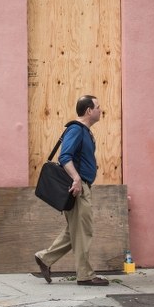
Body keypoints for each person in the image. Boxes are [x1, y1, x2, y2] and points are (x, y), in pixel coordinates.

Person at [34, 95, 108, 286]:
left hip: (81, 186)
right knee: (84, 231)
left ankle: (45, 258)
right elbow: (65, 156)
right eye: (98, 107)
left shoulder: (84, 131)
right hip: (78, 187)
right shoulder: (76, 129)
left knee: (74, 231)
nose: (101, 110)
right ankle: (85, 275)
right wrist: (76, 179)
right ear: (89, 111)